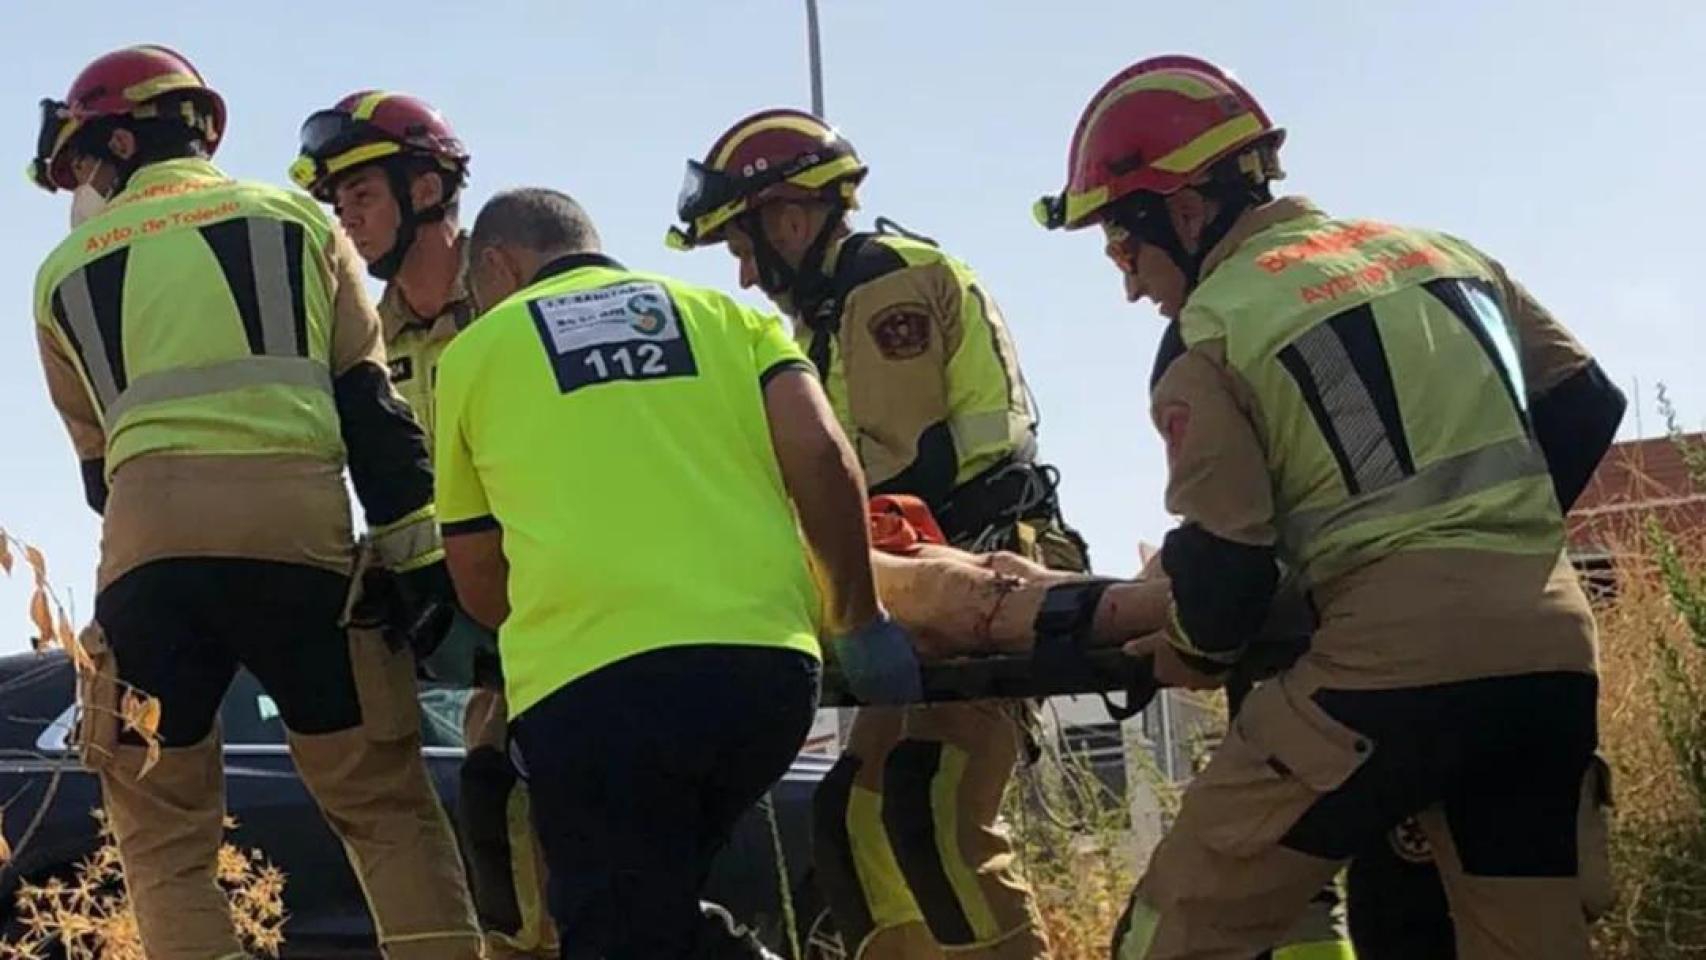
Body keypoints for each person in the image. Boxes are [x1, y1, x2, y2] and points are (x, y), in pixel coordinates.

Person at [1034, 54, 1626, 959]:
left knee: (1173, 927)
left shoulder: (1214, 325)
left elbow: (1226, 572)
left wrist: (1188, 649)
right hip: (1551, 656)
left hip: (1385, 673)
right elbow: (1588, 402)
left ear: (1185, 211)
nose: (1128, 282)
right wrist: (1500, 543)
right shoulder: (1442, 255)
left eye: (1123, 244)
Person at [28, 45, 482, 960]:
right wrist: (421, 563)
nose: (81, 182)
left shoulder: (60, 274)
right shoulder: (300, 228)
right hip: (301, 547)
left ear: (123, 140)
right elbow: (373, 414)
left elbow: (94, 473)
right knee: (384, 805)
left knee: (163, 839)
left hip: (148, 558)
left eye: (82, 160)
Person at [433, 187, 921, 959]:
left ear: (496, 264)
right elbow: (823, 456)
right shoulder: (729, 317)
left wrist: (523, 621)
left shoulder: (474, 355)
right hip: (767, 678)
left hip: (595, 689)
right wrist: (858, 620)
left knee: (615, 927)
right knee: (651, 910)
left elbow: (477, 572)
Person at [668, 108, 1081, 960]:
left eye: (744, 247)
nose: (745, 276)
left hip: (979, 567)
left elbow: (899, 482)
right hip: (919, 579)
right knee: (852, 818)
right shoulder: (823, 317)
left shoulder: (884, 288)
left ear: (790, 215)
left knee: (931, 804)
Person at [290, 89, 557, 960]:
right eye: (336, 205)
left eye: (361, 197)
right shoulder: (368, 337)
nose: (347, 221)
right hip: (484, 628)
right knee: (497, 822)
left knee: (590, 845)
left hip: (571, 601)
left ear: (428, 187)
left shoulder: (525, 287)